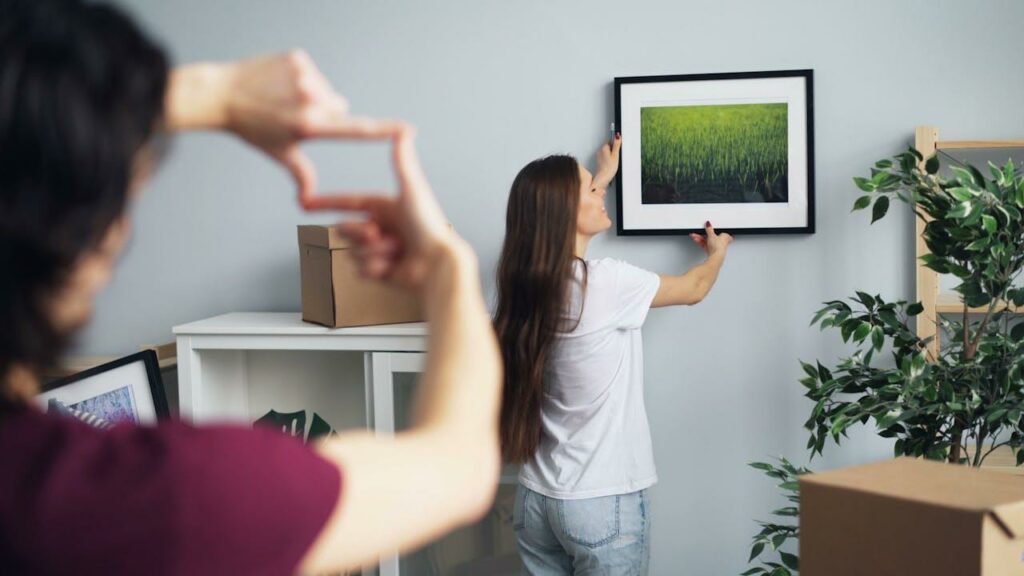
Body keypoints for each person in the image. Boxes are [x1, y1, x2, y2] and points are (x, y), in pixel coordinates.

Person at [0, 0, 501, 574]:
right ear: (81, 244)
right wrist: (448, 268)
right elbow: (459, 465)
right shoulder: (152, 503)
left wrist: (212, 96)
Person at [494, 136, 733, 575]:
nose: (600, 193)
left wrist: (600, 177)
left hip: (536, 502)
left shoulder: (523, 288)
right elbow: (694, 288)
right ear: (566, 212)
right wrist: (718, 254)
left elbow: (567, 246)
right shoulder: (605, 284)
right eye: (591, 191)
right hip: (600, 503)